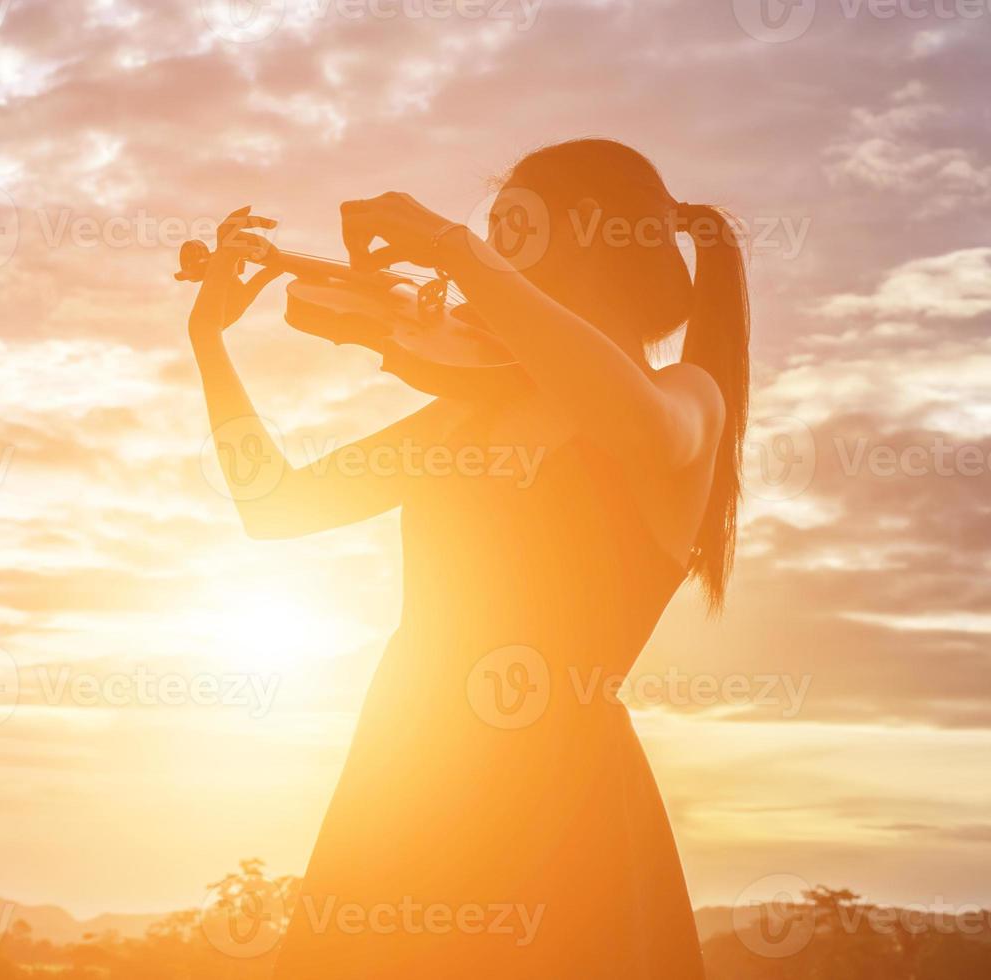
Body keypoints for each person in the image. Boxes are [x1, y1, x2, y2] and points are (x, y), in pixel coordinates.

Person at [185, 138, 749, 978]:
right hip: (404, 771)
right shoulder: (467, 419)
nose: (485, 267)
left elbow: (630, 415)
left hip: (559, 795)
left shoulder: (685, 399)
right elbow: (274, 506)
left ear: (584, 232)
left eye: (510, 234)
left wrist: (452, 247)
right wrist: (208, 344)